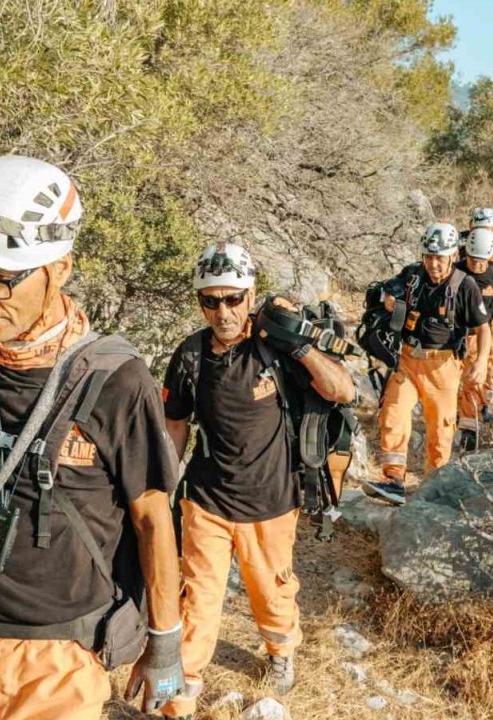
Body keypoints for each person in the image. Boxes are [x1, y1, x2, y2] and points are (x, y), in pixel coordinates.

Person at [0, 155, 183, 720]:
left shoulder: (116, 381)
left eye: (0, 279)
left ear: (59, 267)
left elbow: (152, 516)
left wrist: (166, 642)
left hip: (60, 659)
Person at [159, 243, 356, 719]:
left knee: (271, 591)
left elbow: (342, 390)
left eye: (232, 299)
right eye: (211, 301)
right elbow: (175, 423)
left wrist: (299, 345)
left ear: (250, 296)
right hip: (205, 499)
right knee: (197, 599)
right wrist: (162, 487)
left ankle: (281, 650)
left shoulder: (276, 348)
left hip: (272, 500)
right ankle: (181, 694)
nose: (222, 311)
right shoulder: (190, 355)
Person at [365, 223, 492, 506]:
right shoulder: (412, 276)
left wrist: (482, 361)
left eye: (440, 258)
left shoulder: (465, 286)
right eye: (429, 257)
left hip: (443, 367)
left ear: (453, 256)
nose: (433, 264)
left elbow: (483, 328)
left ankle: (433, 488)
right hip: (408, 359)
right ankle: (393, 480)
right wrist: (388, 300)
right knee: (393, 414)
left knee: (440, 430)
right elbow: (385, 291)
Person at [455, 228, 493, 451]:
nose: (477, 264)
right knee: (457, 380)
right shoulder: (455, 271)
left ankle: (471, 425)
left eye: (481, 260)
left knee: (478, 377)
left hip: (482, 334)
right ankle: (462, 418)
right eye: (472, 259)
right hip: (456, 333)